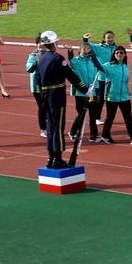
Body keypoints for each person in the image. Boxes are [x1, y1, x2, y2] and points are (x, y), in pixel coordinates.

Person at [32, 31, 91, 169]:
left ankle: (51, 157)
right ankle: (57, 158)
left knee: (51, 126)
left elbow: (38, 78)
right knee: (58, 127)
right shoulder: (58, 58)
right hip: (56, 95)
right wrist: (85, 90)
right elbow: (71, 75)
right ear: (53, 43)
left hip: (45, 94)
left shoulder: (41, 57)